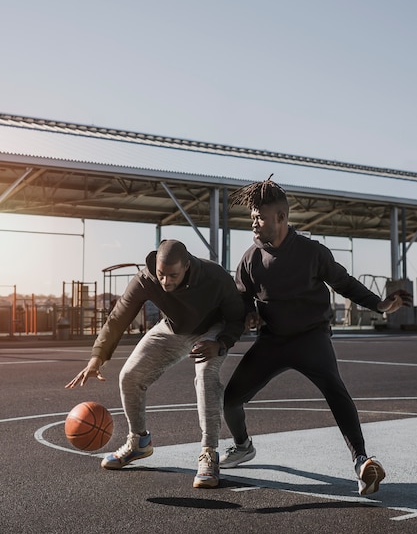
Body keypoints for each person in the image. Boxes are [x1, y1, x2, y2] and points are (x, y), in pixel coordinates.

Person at [219, 177, 413, 496]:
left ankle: (361, 463)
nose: (254, 222)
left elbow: (345, 283)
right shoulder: (249, 259)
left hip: (311, 339)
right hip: (272, 341)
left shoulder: (312, 252)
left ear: (281, 218)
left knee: (335, 390)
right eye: (252, 216)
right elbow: (242, 297)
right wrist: (247, 314)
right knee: (230, 399)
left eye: (260, 217)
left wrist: (379, 304)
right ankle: (242, 446)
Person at [66, 239, 245, 489]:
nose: (165, 281)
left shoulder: (214, 276)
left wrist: (221, 343)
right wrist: (97, 357)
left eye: (172, 275)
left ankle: (209, 453)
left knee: (205, 375)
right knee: (130, 376)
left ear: (187, 265)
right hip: (173, 328)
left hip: (211, 330)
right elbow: (118, 317)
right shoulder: (146, 278)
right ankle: (139, 442)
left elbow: (238, 318)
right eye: (161, 274)